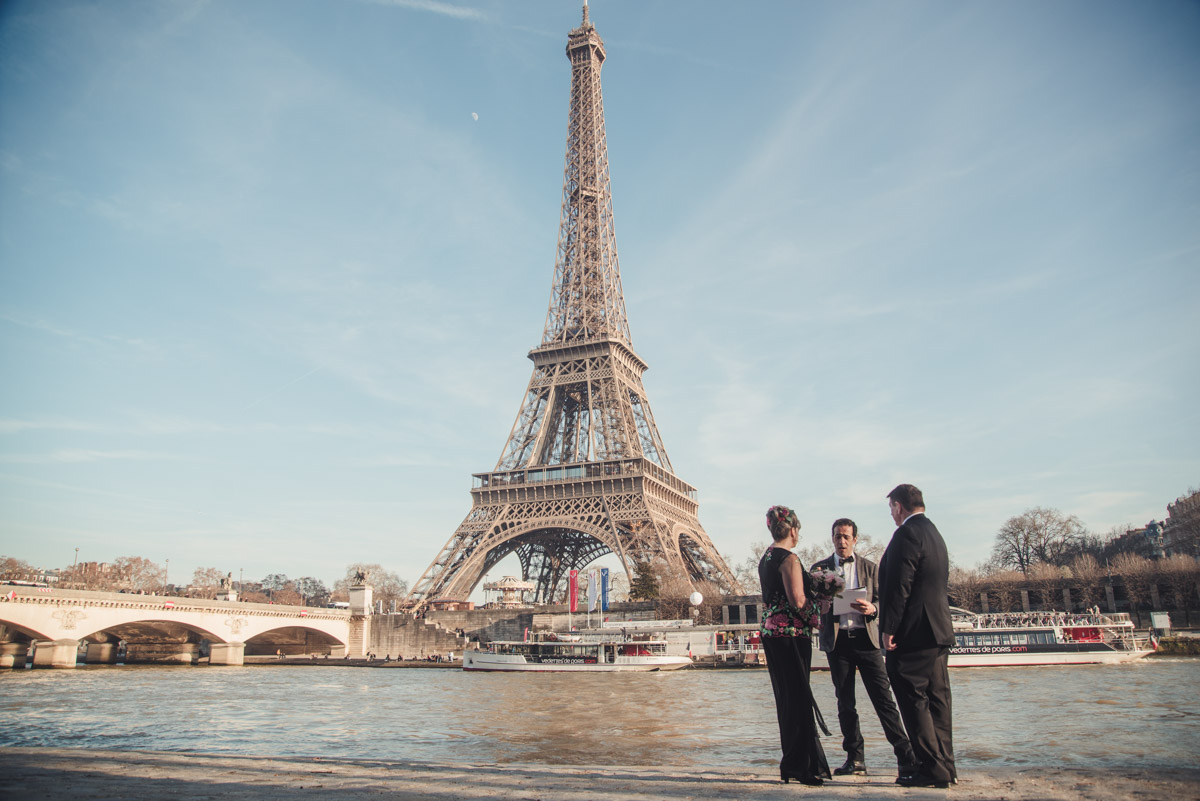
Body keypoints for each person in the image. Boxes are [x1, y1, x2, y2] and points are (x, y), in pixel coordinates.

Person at [812, 518, 916, 779]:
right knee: (845, 703)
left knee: (884, 700)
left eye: (846, 536)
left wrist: (873, 609)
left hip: (866, 640)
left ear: (855, 539)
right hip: (838, 642)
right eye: (837, 536)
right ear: (832, 538)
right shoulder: (819, 569)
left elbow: (884, 601)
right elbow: (811, 605)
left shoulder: (871, 568)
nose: (842, 541)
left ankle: (906, 758)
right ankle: (855, 758)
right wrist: (821, 607)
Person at [878, 484, 957, 789]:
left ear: (899, 506)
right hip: (938, 629)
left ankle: (929, 766)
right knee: (938, 699)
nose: (892, 516)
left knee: (912, 696)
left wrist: (889, 628)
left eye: (891, 509)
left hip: (914, 632)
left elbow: (900, 586)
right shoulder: (934, 533)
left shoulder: (907, 534)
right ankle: (946, 765)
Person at [758, 504, 831, 786]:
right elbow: (798, 600)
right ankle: (801, 767)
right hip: (790, 635)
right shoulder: (788, 558)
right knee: (799, 699)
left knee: (787, 699)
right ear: (794, 530)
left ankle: (791, 763)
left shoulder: (766, 556)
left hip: (771, 633)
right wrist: (820, 616)